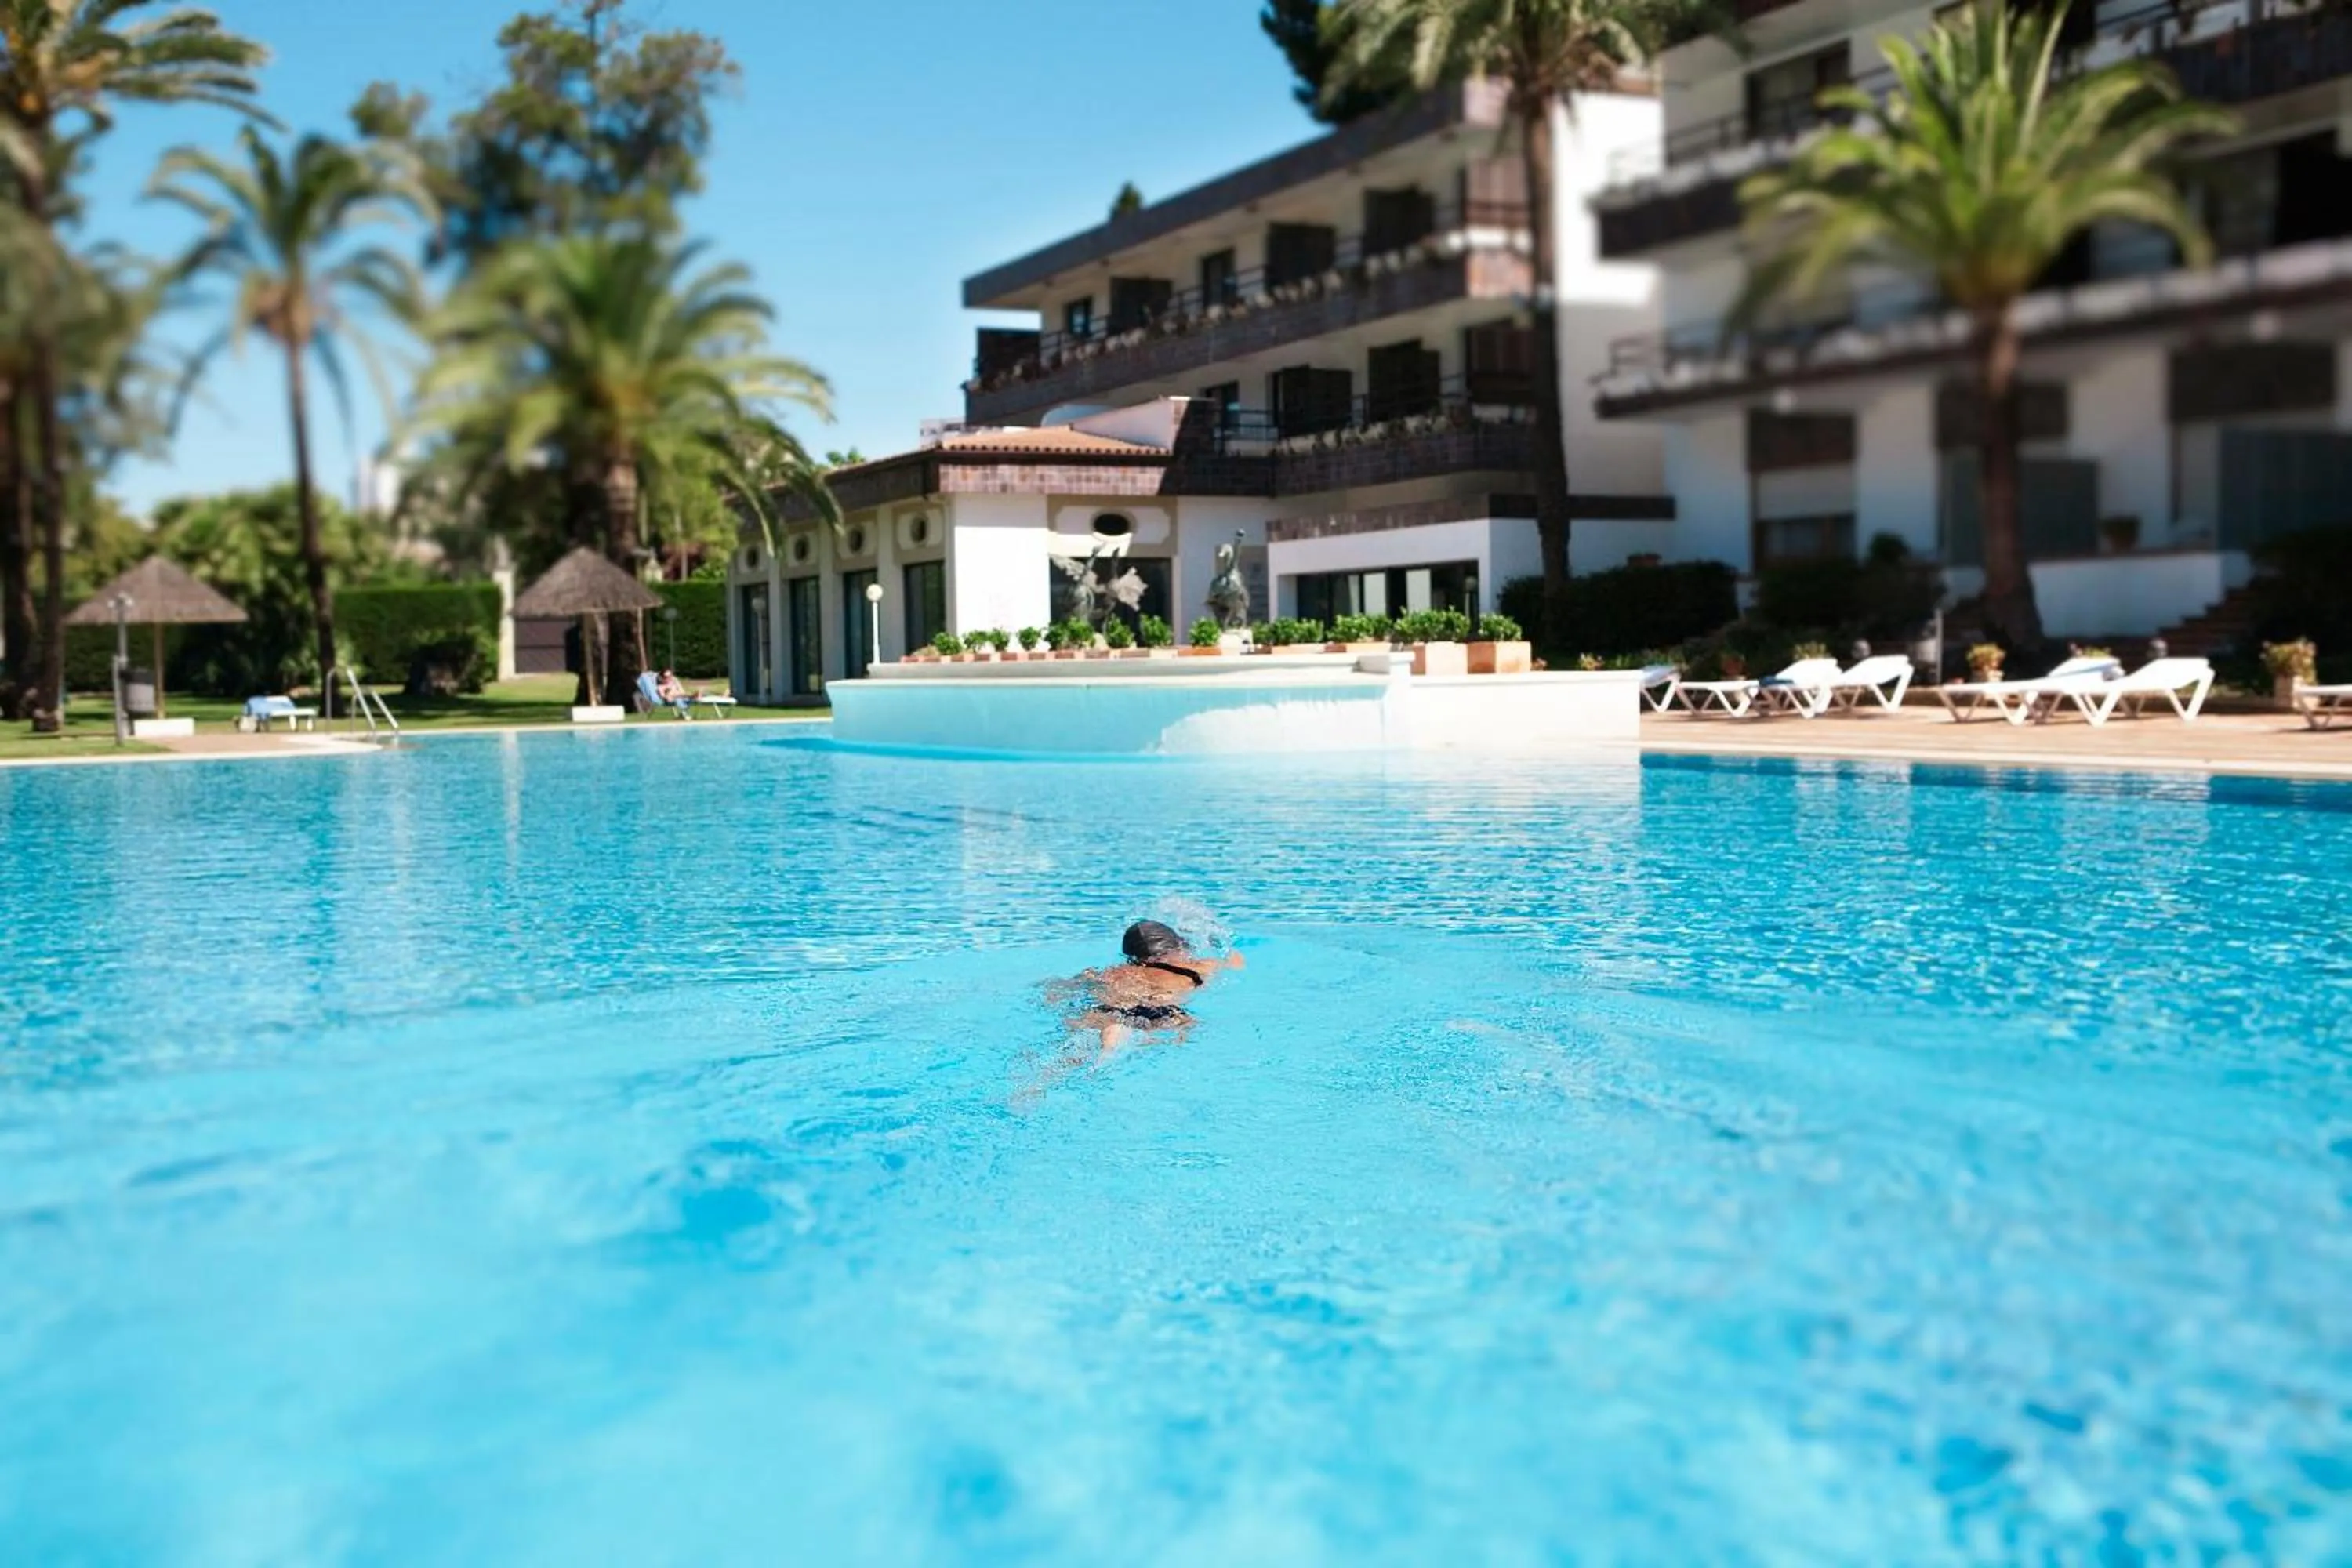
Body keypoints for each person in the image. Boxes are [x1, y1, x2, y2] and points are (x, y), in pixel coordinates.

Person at [1051, 920, 1243, 1053]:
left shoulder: (1111, 972)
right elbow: (1236, 963)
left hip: (1108, 1010)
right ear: (1176, 948)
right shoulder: (1197, 966)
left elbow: (1063, 989)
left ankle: (1113, 1037)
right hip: (1161, 1010)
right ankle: (1136, 1038)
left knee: (1075, 1052)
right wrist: (1220, 942)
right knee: (1188, 1028)